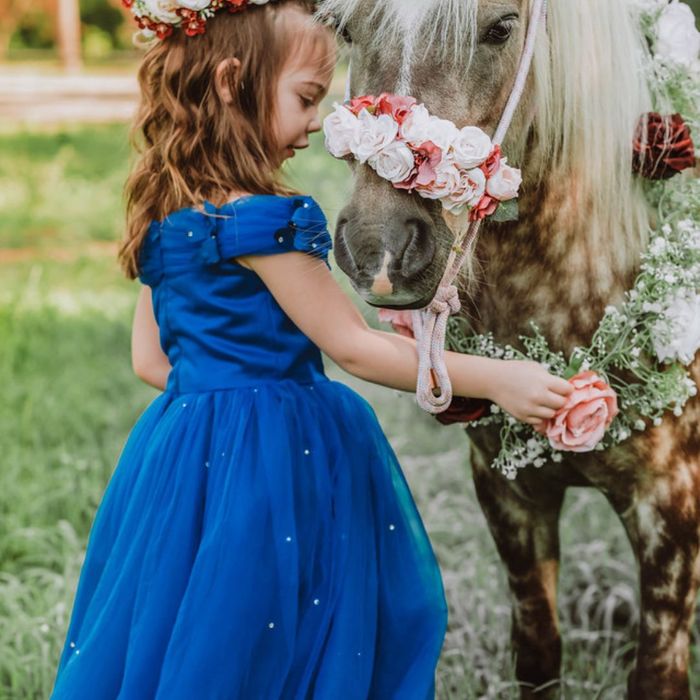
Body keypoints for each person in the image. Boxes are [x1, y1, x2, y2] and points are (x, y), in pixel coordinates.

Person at [50, 1, 574, 698]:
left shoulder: (162, 214)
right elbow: (352, 349)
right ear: (235, 81)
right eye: (306, 100)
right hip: (279, 449)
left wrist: (214, 413)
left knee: (198, 615)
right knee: (296, 617)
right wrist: (498, 379)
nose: (315, 128)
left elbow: (151, 362)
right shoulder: (265, 221)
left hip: (178, 451)